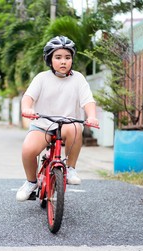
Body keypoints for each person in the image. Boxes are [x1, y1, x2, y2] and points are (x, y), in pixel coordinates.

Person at [16, 35, 99, 202]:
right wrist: (27, 108)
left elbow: (88, 101)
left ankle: (71, 169)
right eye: (58, 57)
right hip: (43, 125)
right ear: (49, 59)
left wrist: (92, 116)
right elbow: (28, 97)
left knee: (76, 128)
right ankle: (31, 182)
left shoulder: (78, 79)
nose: (63, 62)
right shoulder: (41, 78)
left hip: (68, 124)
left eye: (67, 57)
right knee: (28, 150)